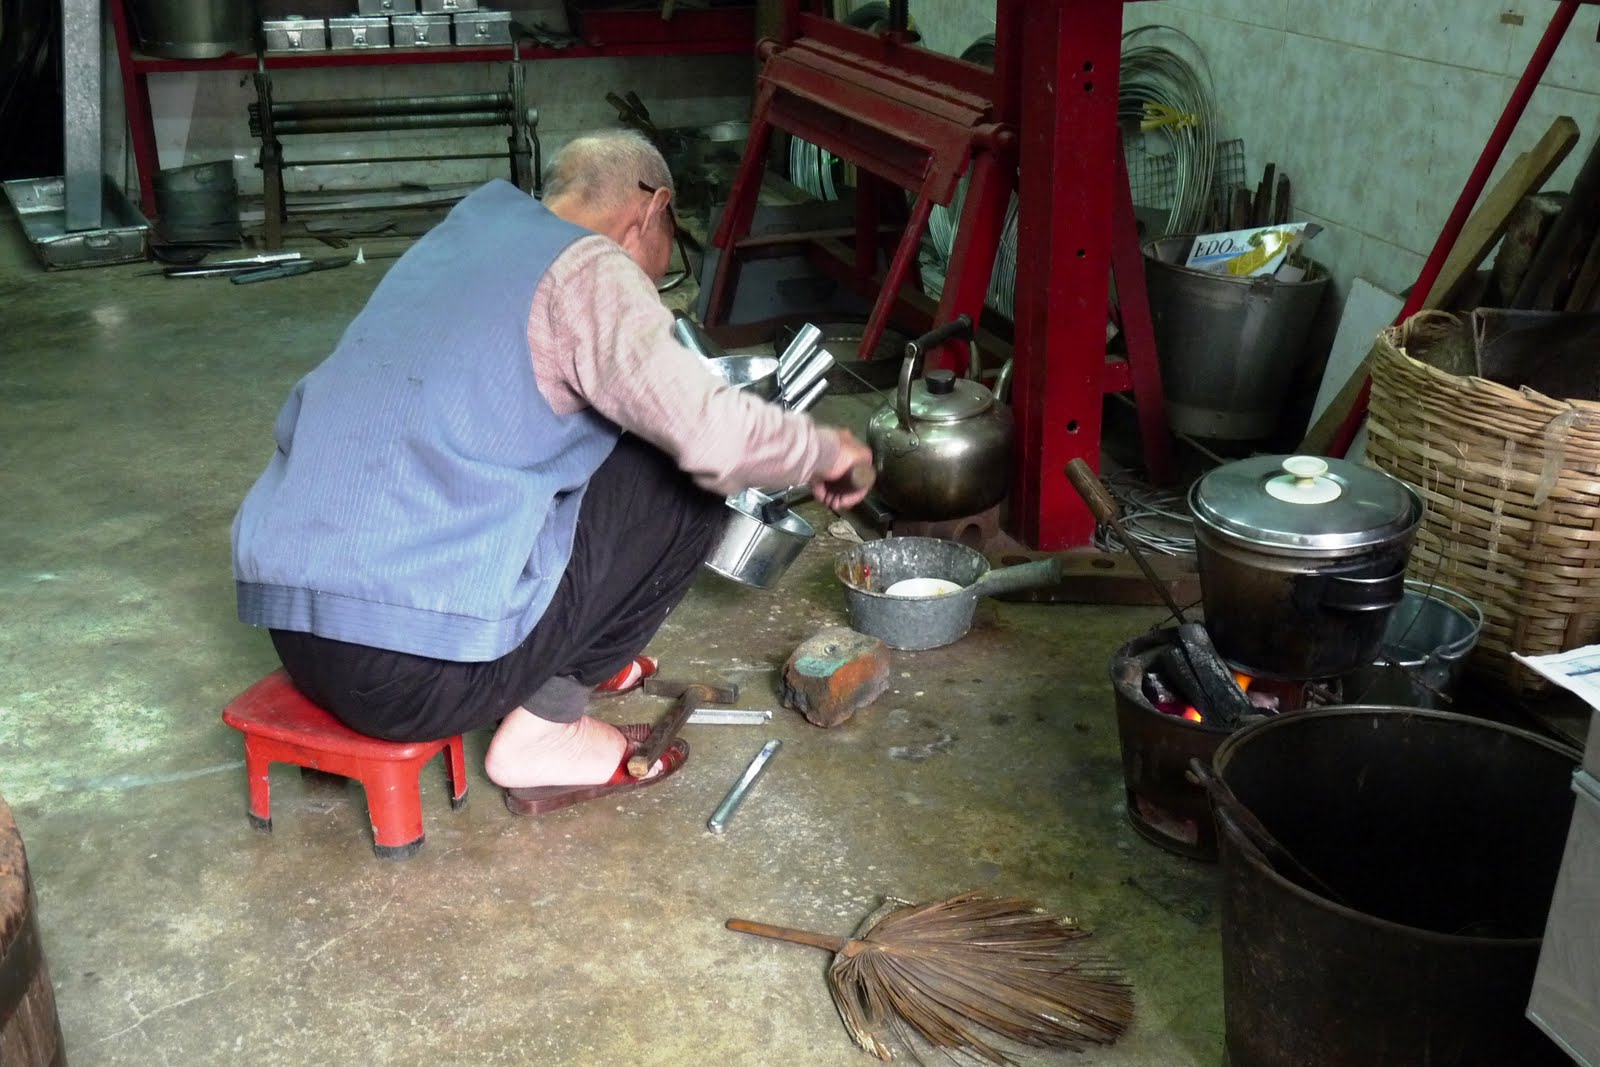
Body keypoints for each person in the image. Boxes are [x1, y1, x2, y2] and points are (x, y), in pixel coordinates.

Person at [231, 130, 873, 813]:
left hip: (300, 638)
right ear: (652, 210)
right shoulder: (590, 266)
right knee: (682, 473)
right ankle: (545, 732)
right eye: (663, 260)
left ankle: (572, 651)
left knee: (581, 439)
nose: (654, 286)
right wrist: (826, 452)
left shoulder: (464, 235)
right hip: (411, 679)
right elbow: (710, 434)